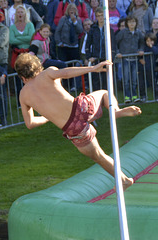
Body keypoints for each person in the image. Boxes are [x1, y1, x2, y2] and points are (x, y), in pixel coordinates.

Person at [15, 53, 142, 190]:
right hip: (82, 109)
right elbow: (67, 72)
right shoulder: (47, 73)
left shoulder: (23, 95)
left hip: (73, 129)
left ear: (22, 77)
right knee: (104, 93)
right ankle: (115, 111)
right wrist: (92, 68)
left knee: (99, 156)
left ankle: (124, 180)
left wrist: (48, 117)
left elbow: (30, 123)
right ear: (38, 67)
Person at [116, 15, 144, 103]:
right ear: (127, 23)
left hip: (135, 59)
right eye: (130, 22)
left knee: (134, 80)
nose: (132, 24)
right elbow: (115, 42)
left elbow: (142, 43)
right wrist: (117, 52)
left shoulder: (138, 33)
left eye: (133, 22)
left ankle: (134, 96)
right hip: (125, 59)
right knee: (126, 80)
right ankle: (127, 97)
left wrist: (141, 50)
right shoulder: (123, 32)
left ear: (136, 23)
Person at [86, 7, 116, 90]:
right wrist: (88, 57)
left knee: (106, 81)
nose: (100, 17)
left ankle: (106, 100)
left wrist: (111, 58)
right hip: (95, 58)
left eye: (102, 15)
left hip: (105, 58)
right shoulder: (93, 29)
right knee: (96, 81)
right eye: (98, 16)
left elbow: (113, 45)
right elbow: (88, 44)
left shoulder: (109, 29)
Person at [138, 32, 158, 101]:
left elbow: (157, 51)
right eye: (147, 41)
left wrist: (151, 47)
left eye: (151, 41)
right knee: (141, 83)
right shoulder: (143, 47)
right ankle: (143, 96)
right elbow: (139, 54)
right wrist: (140, 59)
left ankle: (157, 96)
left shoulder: (154, 48)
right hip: (141, 68)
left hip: (150, 68)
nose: (149, 42)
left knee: (153, 83)